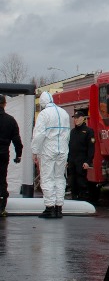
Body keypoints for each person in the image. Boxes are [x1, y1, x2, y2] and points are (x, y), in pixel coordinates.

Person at [31, 91, 71, 219]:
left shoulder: (44, 114)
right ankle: (59, 207)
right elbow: (67, 134)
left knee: (47, 177)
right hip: (63, 150)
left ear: (42, 103)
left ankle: (50, 208)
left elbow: (39, 134)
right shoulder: (64, 113)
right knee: (59, 177)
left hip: (48, 149)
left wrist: (35, 151)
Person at [0, 94, 23, 217]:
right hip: (3, 153)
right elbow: (17, 140)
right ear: (4, 104)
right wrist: (18, 155)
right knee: (2, 179)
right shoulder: (10, 120)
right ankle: (2, 207)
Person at [67, 108, 96, 201]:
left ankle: (83, 199)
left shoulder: (88, 131)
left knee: (81, 181)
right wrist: (67, 160)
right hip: (72, 160)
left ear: (83, 118)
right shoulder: (72, 132)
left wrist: (88, 161)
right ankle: (74, 198)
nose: (75, 119)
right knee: (72, 181)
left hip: (82, 160)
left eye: (77, 117)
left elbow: (91, 148)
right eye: (74, 118)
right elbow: (69, 146)